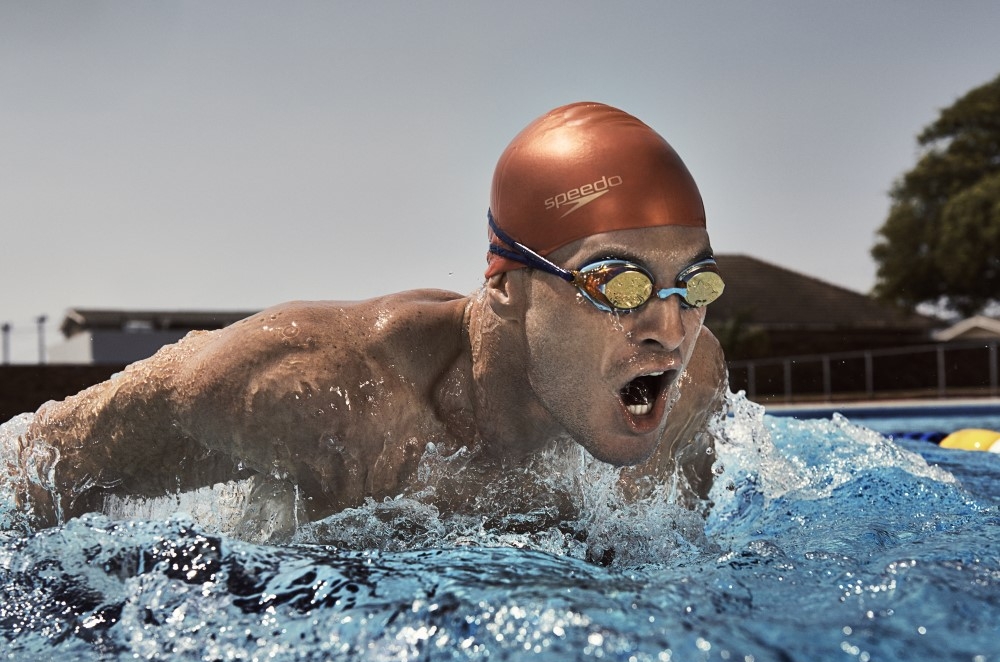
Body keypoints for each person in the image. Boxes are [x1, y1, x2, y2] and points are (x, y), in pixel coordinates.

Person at [15, 102, 728, 538]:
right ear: (509, 284)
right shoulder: (323, 394)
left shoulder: (693, 383)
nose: (669, 328)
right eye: (619, 282)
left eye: (694, 282)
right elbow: (43, 461)